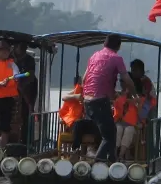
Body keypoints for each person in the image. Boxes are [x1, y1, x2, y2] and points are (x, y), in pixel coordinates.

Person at [82, 34, 136, 163]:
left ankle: (112, 160)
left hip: (87, 101)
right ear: (118, 46)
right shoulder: (116, 58)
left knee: (111, 130)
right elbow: (127, 80)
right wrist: (134, 94)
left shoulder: (94, 56)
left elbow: (84, 80)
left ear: (104, 44)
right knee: (108, 136)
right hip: (99, 101)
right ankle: (97, 164)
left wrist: (109, 92)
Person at [59, 76, 100, 159]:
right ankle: (75, 150)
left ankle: (94, 149)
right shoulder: (78, 91)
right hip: (77, 122)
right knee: (78, 124)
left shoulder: (97, 93)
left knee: (100, 125)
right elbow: (64, 97)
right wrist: (75, 96)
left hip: (91, 122)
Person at [12, 42, 38, 144]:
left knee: (27, 114)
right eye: (20, 47)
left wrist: (22, 90)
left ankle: (26, 141)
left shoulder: (30, 60)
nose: (21, 50)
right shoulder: (10, 59)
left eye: (24, 47)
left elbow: (31, 76)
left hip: (28, 89)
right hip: (11, 89)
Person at [113, 79, 140, 160]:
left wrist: (135, 101)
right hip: (120, 123)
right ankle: (114, 154)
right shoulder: (119, 98)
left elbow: (140, 111)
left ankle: (121, 155)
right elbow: (116, 111)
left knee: (129, 130)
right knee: (118, 130)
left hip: (131, 125)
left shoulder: (136, 99)